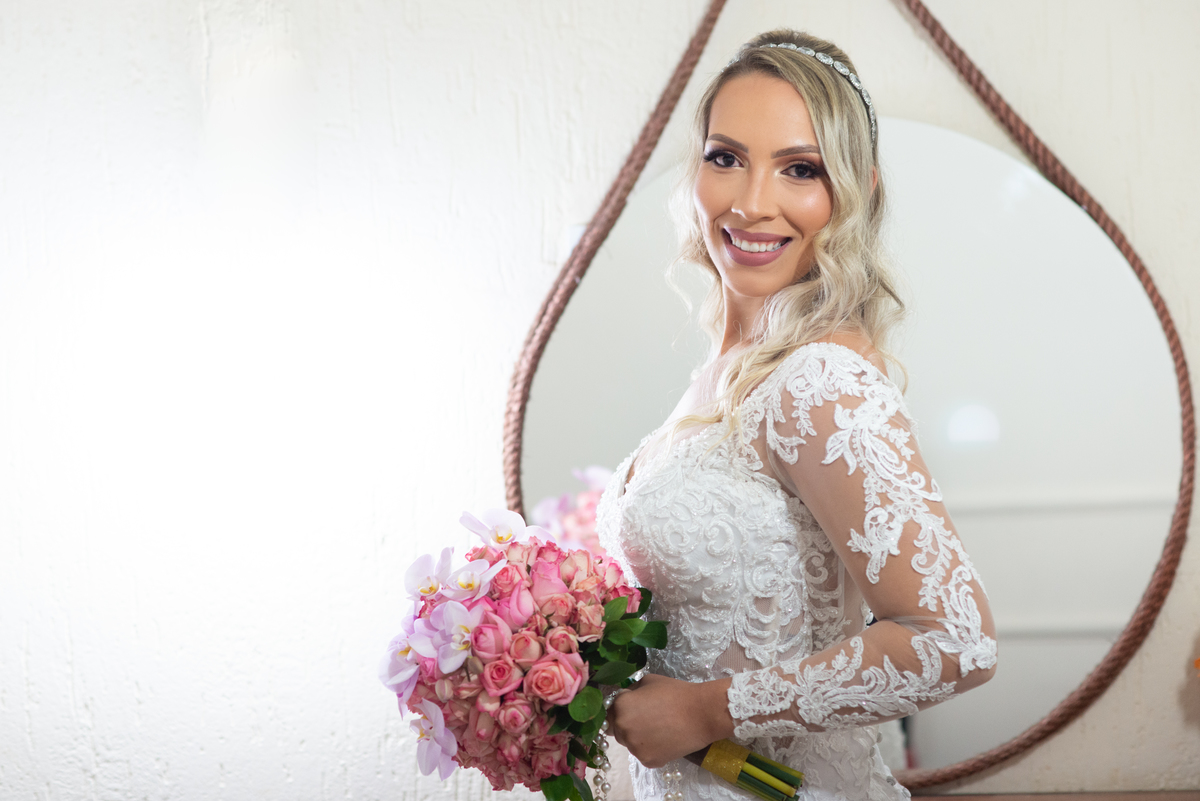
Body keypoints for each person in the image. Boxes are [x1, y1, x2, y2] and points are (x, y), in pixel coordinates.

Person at [595, 29, 997, 801]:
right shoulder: (719, 375)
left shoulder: (819, 379)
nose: (751, 202)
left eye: (800, 169)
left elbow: (956, 639)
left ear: (856, 192)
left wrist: (705, 710)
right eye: (725, 157)